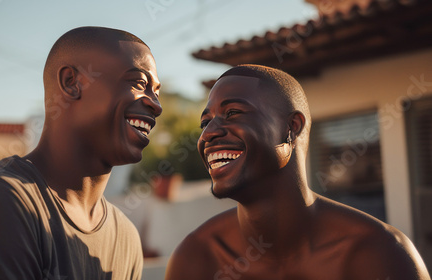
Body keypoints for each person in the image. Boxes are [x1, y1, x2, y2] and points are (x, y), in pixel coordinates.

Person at [0, 26, 162, 280]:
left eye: (157, 91)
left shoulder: (126, 238)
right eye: (140, 83)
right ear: (71, 83)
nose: (156, 104)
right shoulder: (1, 202)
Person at [165, 65, 430, 280]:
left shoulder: (378, 254)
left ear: (291, 127)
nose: (208, 133)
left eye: (233, 112)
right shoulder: (198, 258)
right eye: (205, 121)